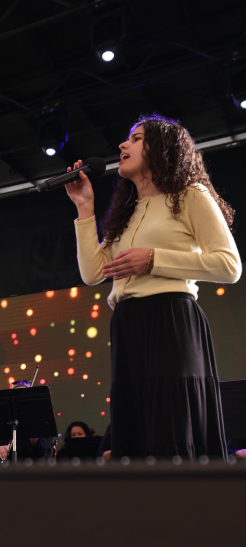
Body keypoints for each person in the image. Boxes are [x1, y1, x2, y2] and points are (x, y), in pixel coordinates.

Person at [65, 114, 241, 459]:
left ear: (162, 149)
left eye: (136, 138)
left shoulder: (189, 195)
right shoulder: (127, 212)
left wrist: (153, 259)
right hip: (128, 323)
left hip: (170, 317)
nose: (123, 144)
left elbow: (229, 265)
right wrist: (85, 209)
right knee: (137, 426)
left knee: (171, 423)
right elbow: (93, 273)